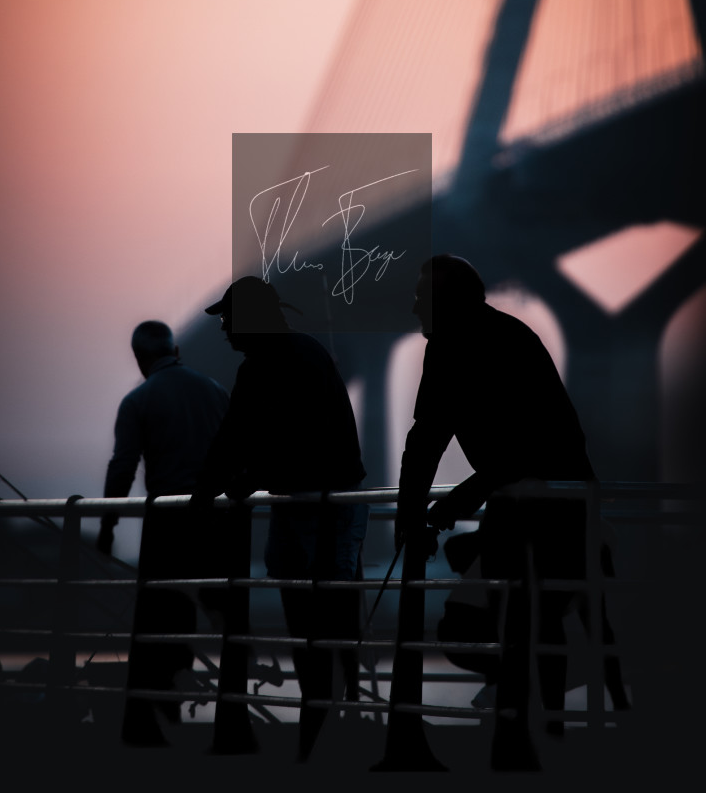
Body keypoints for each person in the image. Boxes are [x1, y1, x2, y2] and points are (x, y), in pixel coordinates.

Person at [396, 255, 601, 769]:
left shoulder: (498, 342)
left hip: (553, 502)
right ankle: (528, 729)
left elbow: (534, 443)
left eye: (423, 297)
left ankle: (525, 732)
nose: (414, 305)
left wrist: (454, 500)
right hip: (518, 499)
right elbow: (426, 441)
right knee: (518, 621)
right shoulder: (456, 346)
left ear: (451, 302)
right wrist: (412, 518)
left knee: (525, 618)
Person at [192, 275, 368, 761]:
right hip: (298, 508)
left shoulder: (299, 359)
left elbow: (308, 440)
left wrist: (247, 477)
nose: (224, 330)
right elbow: (233, 437)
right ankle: (322, 734)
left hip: (328, 509)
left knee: (325, 625)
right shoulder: (259, 369)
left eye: (228, 319)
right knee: (310, 626)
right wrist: (206, 491)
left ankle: (327, 733)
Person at [97, 320, 229, 745]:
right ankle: (214, 714)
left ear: (140, 358)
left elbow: (122, 468)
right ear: (175, 348)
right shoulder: (214, 391)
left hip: (167, 522)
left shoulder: (139, 399)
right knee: (213, 617)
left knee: (155, 621)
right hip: (215, 521)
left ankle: (144, 720)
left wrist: (107, 524)